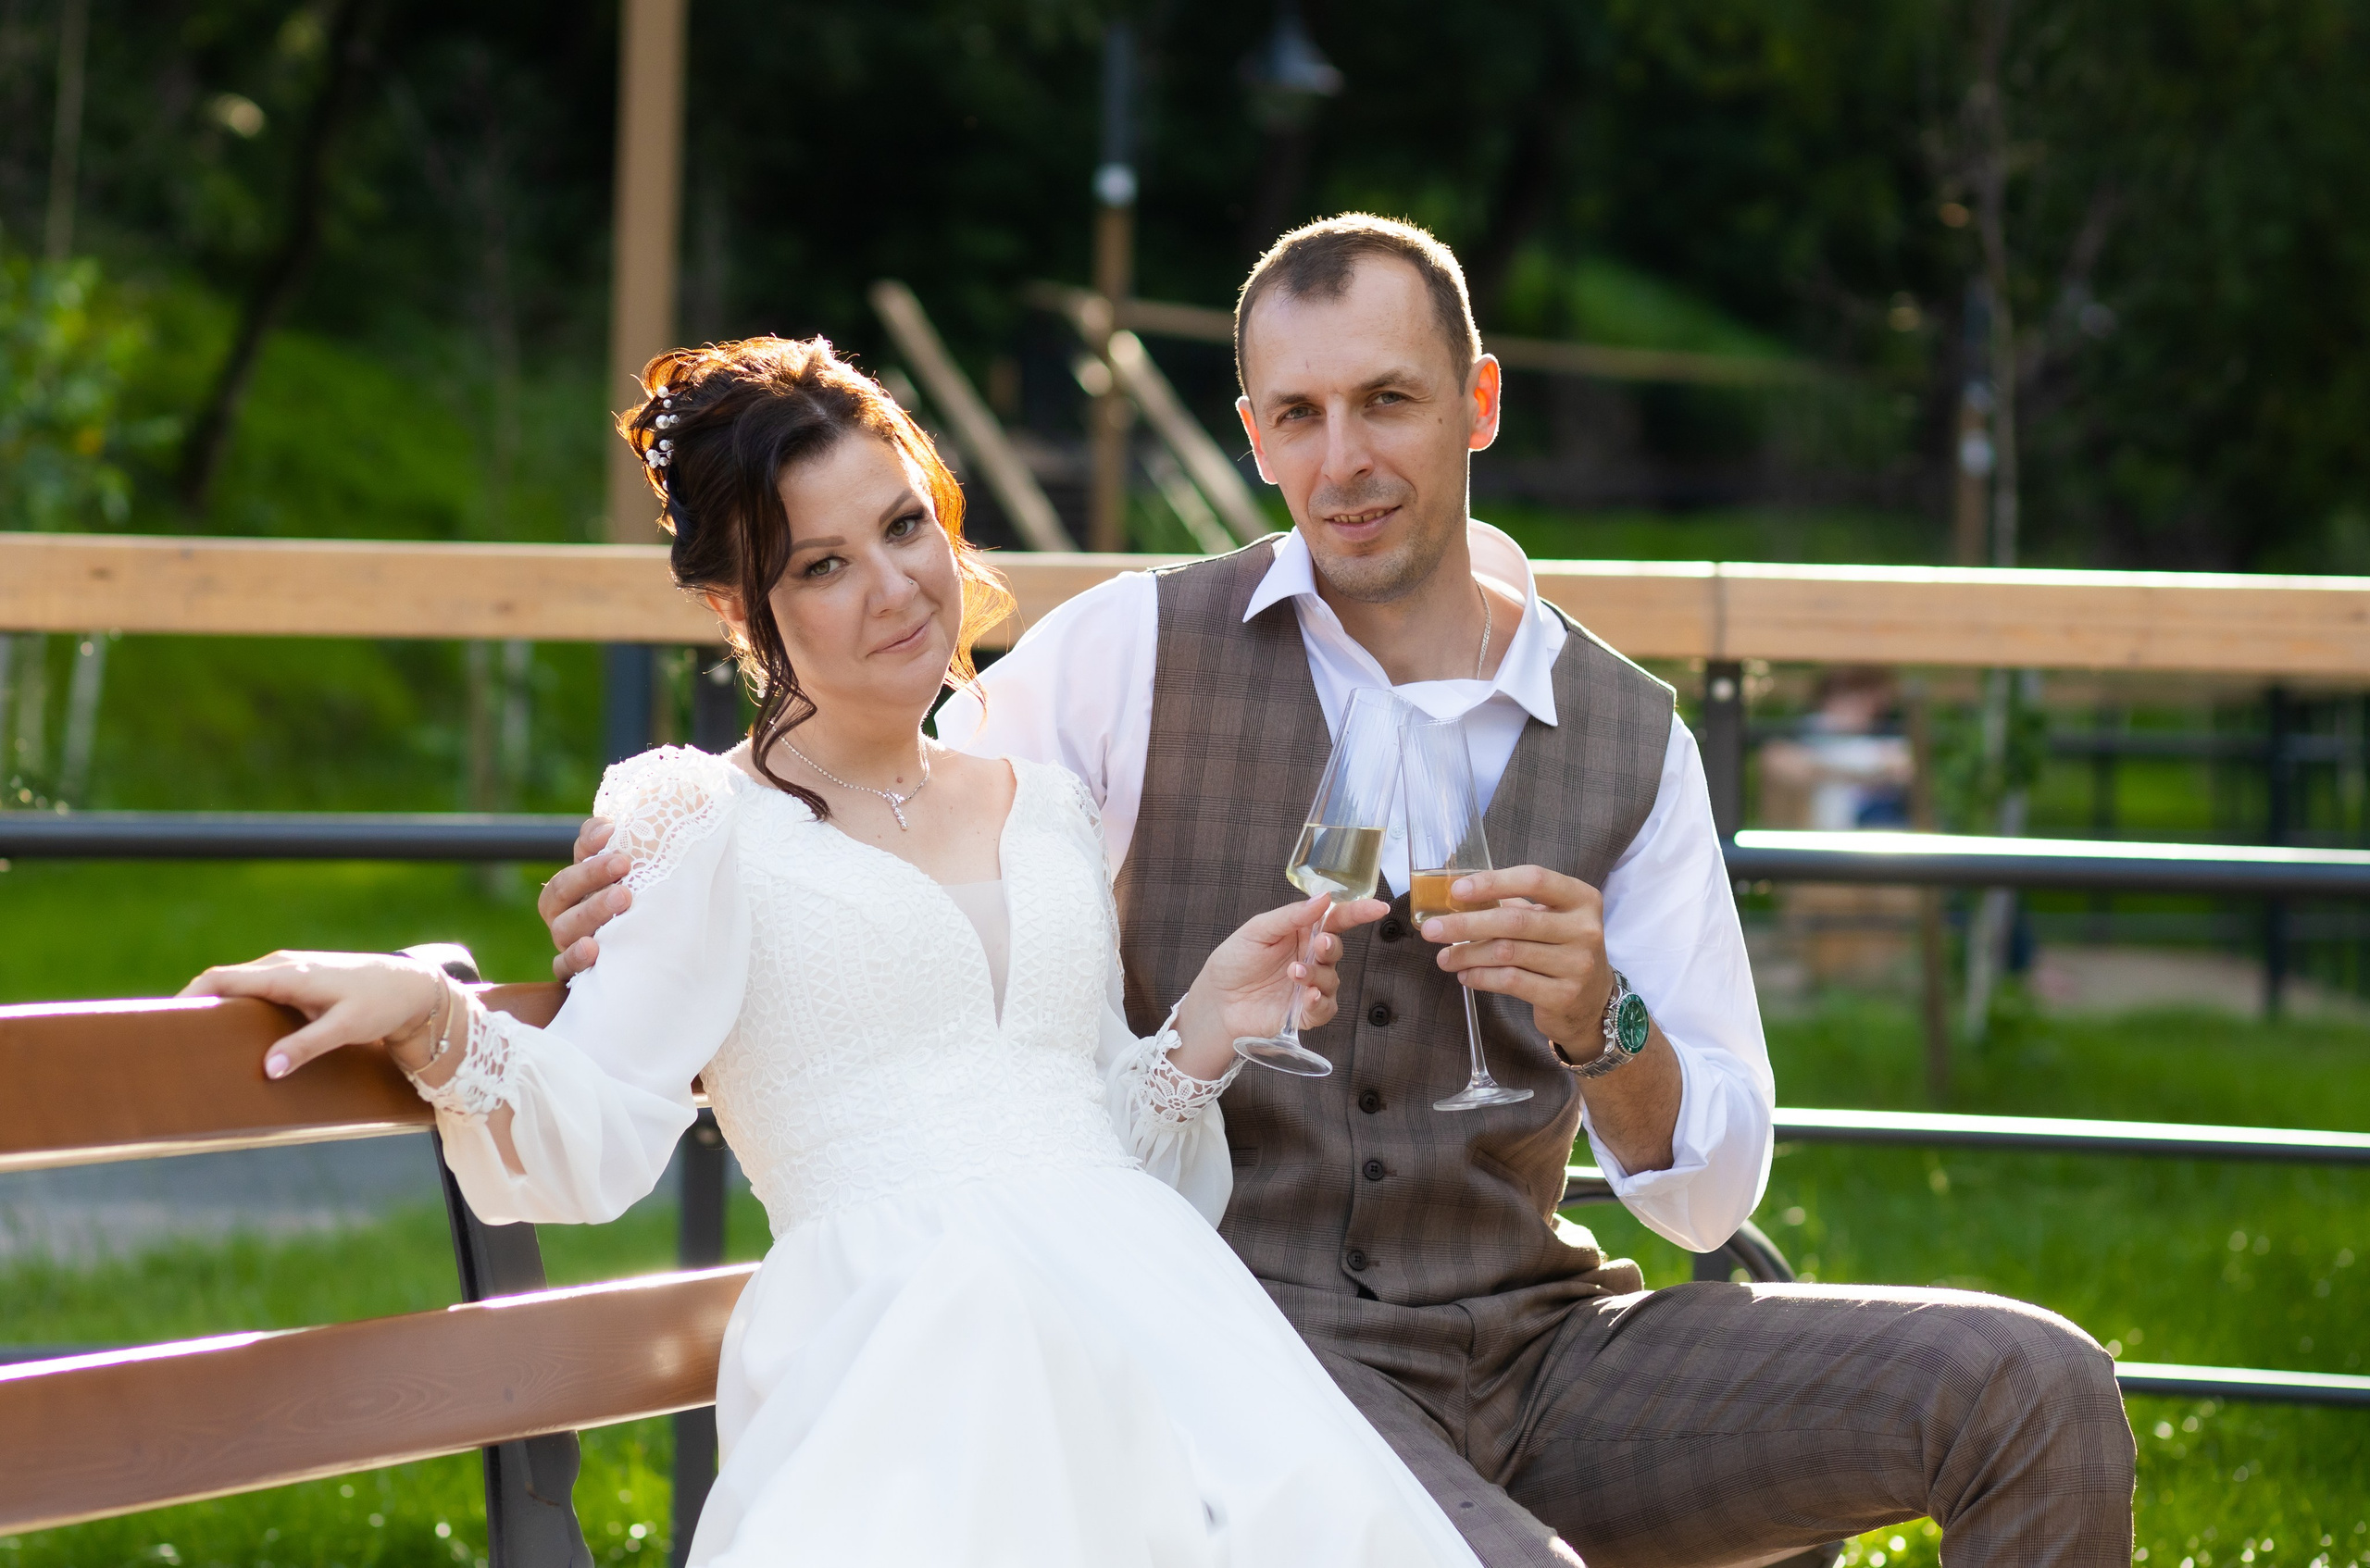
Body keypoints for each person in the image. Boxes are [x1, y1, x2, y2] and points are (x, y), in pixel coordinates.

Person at [547, 216, 2136, 1567]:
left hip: (1547, 1344)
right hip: (1258, 1352)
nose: (1344, 458)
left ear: (1479, 404)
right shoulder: (1127, 657)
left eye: (1388, 401)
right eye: (1298, 413)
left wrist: (1605, 1014)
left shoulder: (1629, 737)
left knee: (2033, 1385)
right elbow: (875, 829)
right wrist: (660, 873)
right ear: (1253, 434)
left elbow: (1705, 1194)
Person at [184, 337, 1488, 1568]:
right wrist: (431, 1012)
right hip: (912, 1349)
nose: (894, 587)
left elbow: (1093, 1150)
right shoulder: (697, 821)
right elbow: (587, 1132)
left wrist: (1202, 1028)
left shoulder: (1043, 807)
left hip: (1162, 1329)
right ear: (733, 605)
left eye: (904, 525)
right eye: (821, 565)